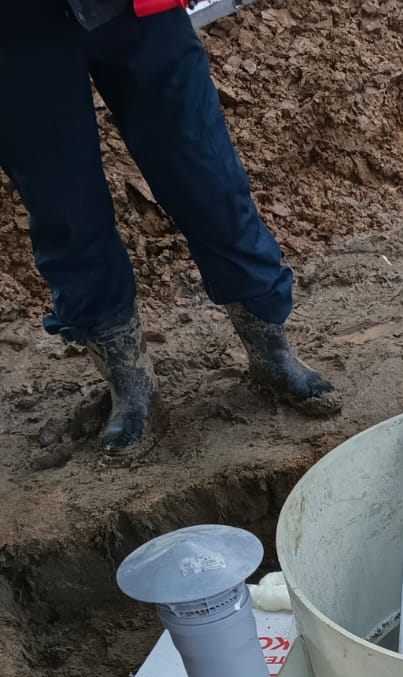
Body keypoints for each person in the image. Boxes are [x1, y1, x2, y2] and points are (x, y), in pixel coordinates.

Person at [0, 0, 340, 461]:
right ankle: (131, 383)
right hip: (16, 28)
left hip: (135, 11)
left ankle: (270, 350)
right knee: (64, 206)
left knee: (206, 173)